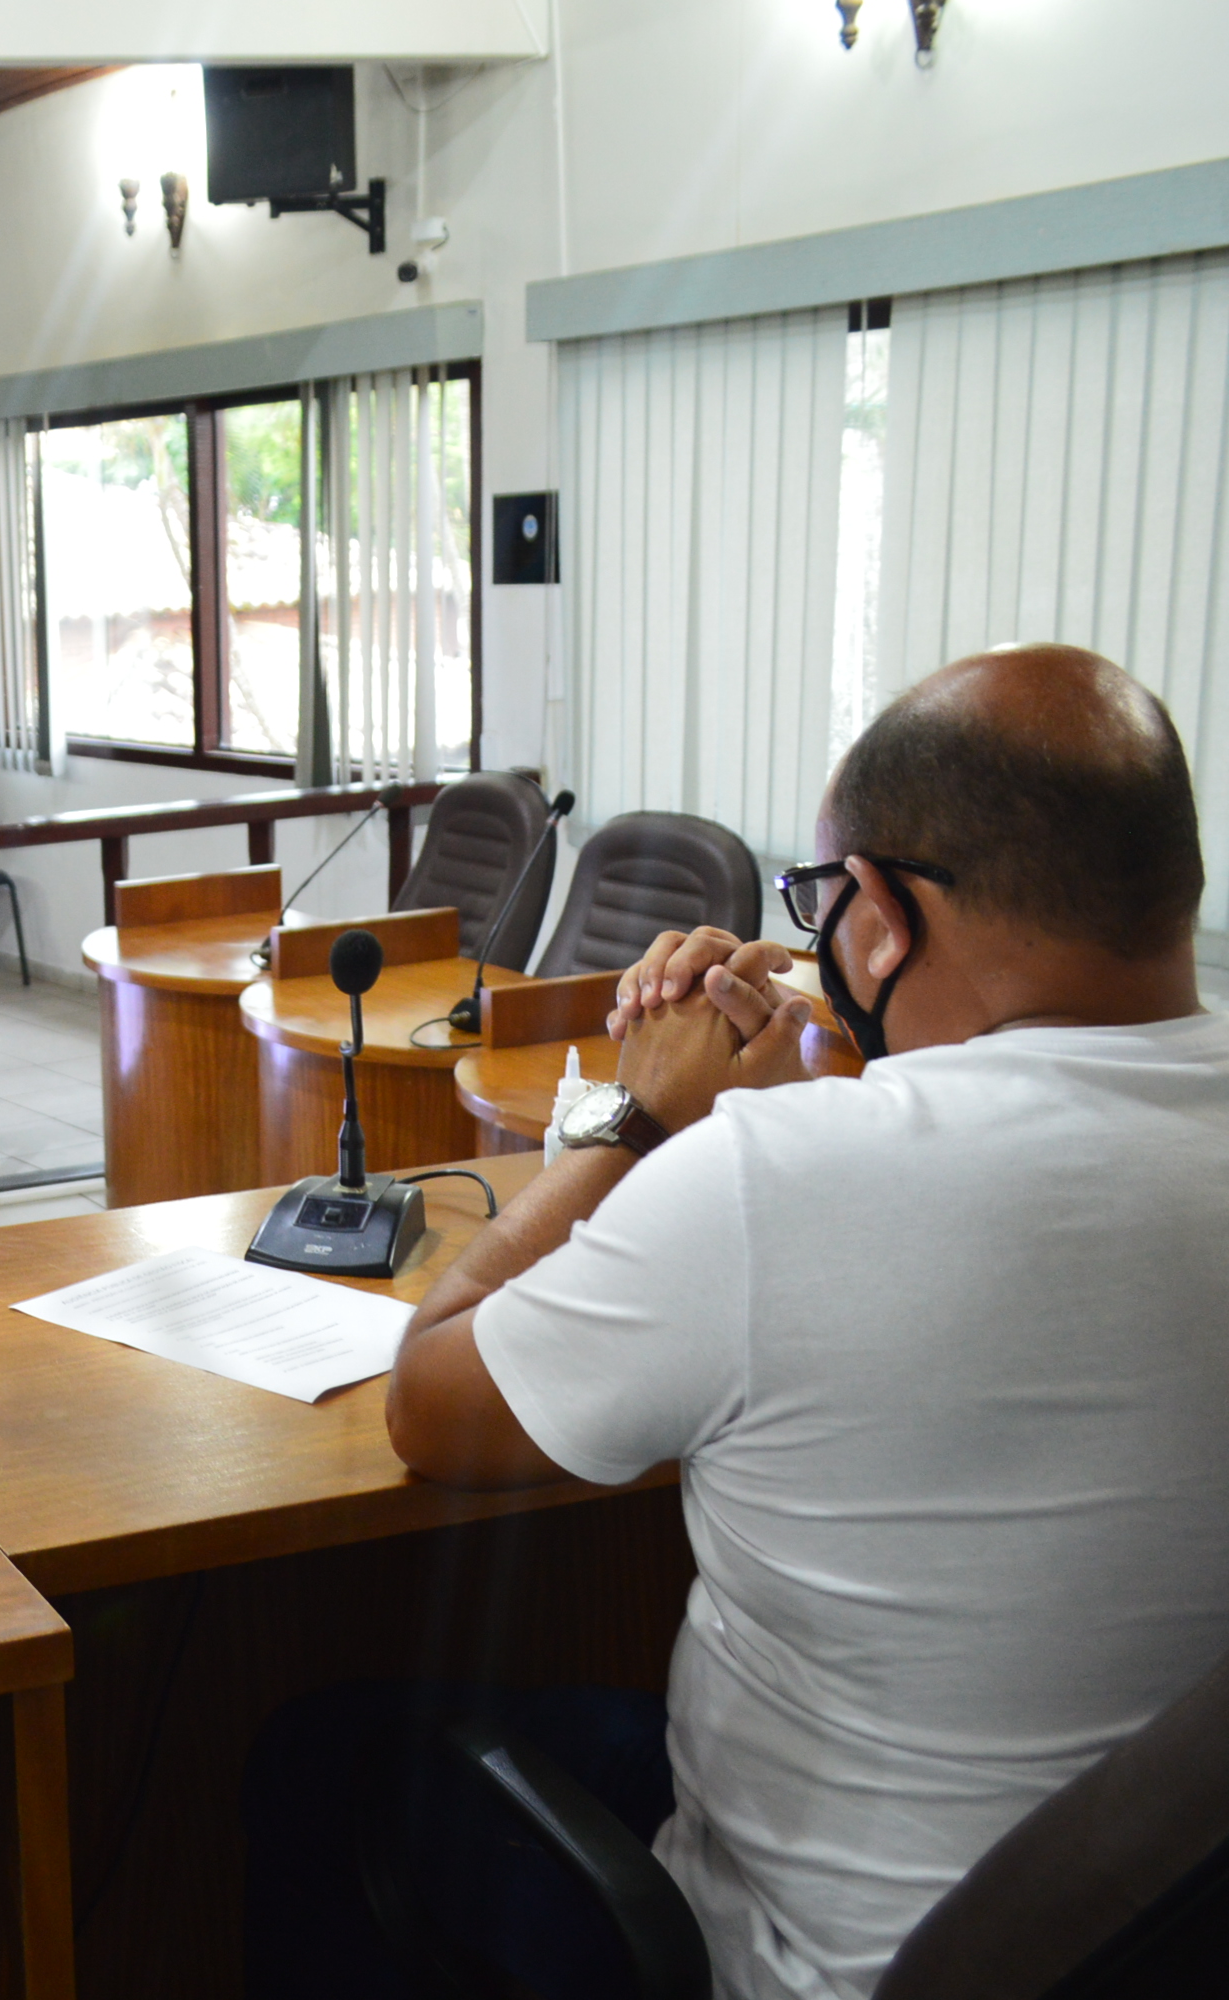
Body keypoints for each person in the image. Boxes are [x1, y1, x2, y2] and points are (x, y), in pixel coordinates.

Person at [272, 644, 1229, 1998]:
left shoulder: (783, 1178)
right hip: (1135, 1939)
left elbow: (431, 1405)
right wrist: (857, 1063)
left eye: (822, 906)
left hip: (810, 1962)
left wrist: (644, 1113)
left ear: (884, 922)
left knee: (327, 1754)